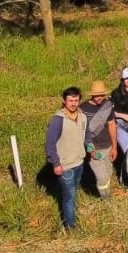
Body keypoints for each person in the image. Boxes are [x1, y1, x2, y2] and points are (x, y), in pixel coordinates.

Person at [45, 87, 87, 230]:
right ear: (64, 101)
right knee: (69, 197)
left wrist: (91, 148)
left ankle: (72, 217)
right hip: (65, 165)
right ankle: (70, 227)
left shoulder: (82, 116)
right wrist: (55, 163)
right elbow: (50, 144)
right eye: (70, 101)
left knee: (74, 192)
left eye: (76, 100)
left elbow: (86, 135)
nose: (73, 104)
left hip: (79, 163)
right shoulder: (58, 120)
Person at [80, 80, 118, 200]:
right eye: (96, 95)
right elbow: (82, 130)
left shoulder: (108, 106)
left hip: (107, 146)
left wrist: (114, 147)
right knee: (101, 176)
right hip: (93, 148)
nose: (99, 98)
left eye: (101, 95)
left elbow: (112, 125)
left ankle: (107, 192)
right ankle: (106, 199)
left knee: (108, 172)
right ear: (92, 95)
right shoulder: (83, 109)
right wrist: (90, 148)